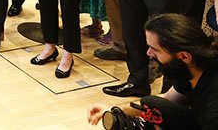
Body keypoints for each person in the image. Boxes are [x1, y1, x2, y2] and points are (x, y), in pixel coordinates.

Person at [87, 14, 218, 129]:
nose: (148, 53)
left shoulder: (213, 100)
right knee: (152, 103)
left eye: (155, 49)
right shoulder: (192, 68)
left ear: (184, 56)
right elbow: (167, 100)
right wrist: (116, 110)